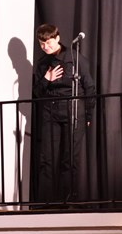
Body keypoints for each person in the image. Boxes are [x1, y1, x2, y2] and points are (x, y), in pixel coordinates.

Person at [32, 24, 95, 204]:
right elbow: (37, 93)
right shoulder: (42, 63)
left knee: (70, 160)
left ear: (57, 38)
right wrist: (47, 79)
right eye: (42, 43)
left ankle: (68, 203)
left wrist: (88, 115)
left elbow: (90, 88)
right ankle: (45, 204)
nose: (45, 47)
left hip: (73, 110)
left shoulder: (76, 59)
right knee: (47, 159)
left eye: (49, 42)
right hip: (50, 111)